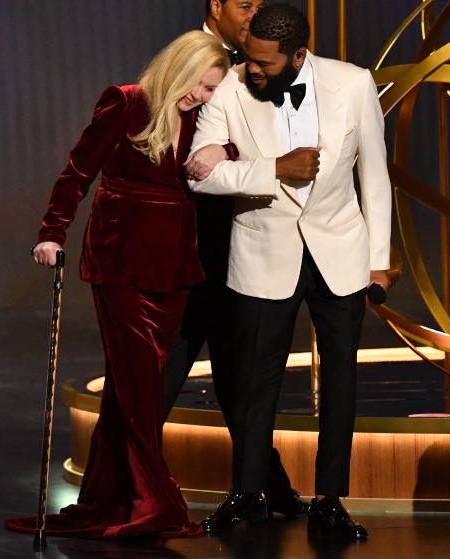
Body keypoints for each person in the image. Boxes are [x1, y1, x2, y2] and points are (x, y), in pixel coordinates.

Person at [5, 31, 230, 540]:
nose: (203, 95)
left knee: (139, 386)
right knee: (136, 383)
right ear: (180, 66)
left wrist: (222, 150)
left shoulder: (209, 120)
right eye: (200, 83)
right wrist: (51, 231)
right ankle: (154, 502)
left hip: (174, 262)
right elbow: (77, 171)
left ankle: (111, 499)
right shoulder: (128, 102)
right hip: (120, 256)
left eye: (214, 88)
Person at [184, 3, 392, 541]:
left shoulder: (352, 83)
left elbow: (375, 176)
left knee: (341, 380)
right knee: (255, 382)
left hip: (339, 255)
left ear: (298, 54)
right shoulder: (230, 88)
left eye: (264, 64)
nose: (252, 71)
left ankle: (329, 500)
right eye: (248, 59)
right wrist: (274, 168)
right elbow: (200, 175)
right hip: (262, 252)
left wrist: (379, 261)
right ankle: (247, 494)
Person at [162, 0, 310, 522]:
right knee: (165, 371)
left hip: (242, 244)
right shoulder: (190, 60)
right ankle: (126, 486)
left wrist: (234, 157)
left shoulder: (268, 65)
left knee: (240, 375)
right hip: (185, 248)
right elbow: (172, 148)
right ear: (216, 6)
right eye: (244, 4)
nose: (253, 14)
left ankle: (266, 487)